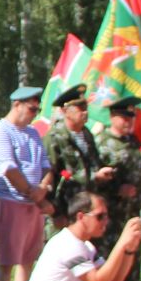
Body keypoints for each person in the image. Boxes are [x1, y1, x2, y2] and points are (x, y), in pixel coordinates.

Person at [0, 86, 51, 281]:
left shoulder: (33, 132)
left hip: (33, 203)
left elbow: (46, 165)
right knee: (7, 262)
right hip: (11, 200)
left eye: (37, 109)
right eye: (32, 108)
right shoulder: (0, 131)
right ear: (17, 104)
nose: (35, 114)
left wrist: (43, 188)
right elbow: (8, 168)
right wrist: (31, 191)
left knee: (28, 260)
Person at [93, 98, 141, 281]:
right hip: (111, 213)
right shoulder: (102, 143)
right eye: (124, 117)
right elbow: (95, 181)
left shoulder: (134, 142)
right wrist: (117, 190)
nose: (128, 121)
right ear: (112, 117)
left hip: (132, 210)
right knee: (111, 254)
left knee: (132, 252)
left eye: (130, 117)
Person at [44, 85, 101, 227]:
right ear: (65, 111)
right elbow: (48, 175)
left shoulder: (87, 134)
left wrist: (99, 175)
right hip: (65, 209)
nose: (85, 112)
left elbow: (93, 165)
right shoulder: (54, 136)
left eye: (86, 108)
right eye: (80, 108)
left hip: (87, 209)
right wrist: (55, 213)